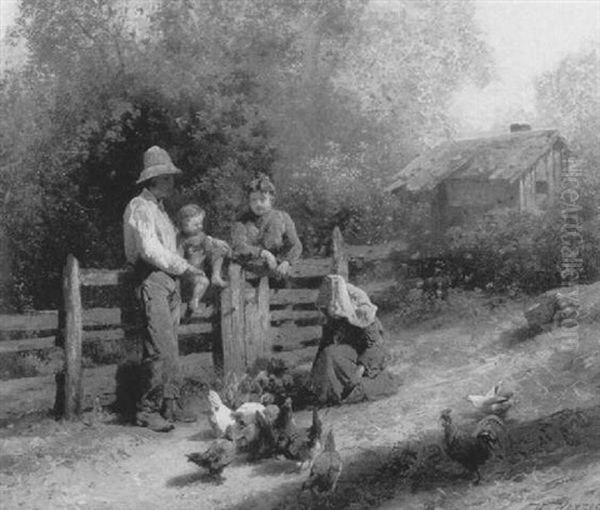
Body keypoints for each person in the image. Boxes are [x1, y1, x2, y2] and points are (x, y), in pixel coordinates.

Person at [123, 146, 202, 431]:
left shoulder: (161, 211)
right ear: (152, 180)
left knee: (171, 347)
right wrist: (185, 268)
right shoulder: (139, 207)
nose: (171, 183)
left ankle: (170, 405)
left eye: (170, 178)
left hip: (169, 282)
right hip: (151, 279)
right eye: (166, 178)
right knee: (158, 347)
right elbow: (149, 249)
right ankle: (147, 410)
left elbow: (170, 247)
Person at [310, 274, 399, 406]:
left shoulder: (360, 309)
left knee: (361, 385)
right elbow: (325, 344)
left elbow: (375, 346)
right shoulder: (331, 313)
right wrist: (315, 374)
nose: (326, 312)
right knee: (329, 353)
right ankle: (334, 391)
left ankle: (361, 386)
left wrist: (360, 371)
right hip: (349, 352)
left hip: (367, 356)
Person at [230, 174, 302, 278]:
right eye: (253, 200)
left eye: (262, 199)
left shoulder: (282, 217)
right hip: (249, 272)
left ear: (271, 200)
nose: (258, 204)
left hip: (277, 270)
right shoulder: (241, 221)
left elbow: (295, 245)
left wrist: (287, 261)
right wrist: (263, 253)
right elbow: (238, 246)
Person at [176, 204, 231, 315]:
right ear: (184, 225)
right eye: (195, 224)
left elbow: (208, 244)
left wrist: (216, 243)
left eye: (201, 223)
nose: (200, 226)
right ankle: (194, 301)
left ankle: (216, 276)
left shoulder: (200, 235)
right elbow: (178, 259)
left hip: (202, 268)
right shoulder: (181, 240)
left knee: (219, 250)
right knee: (203, 282)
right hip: (188, 273)